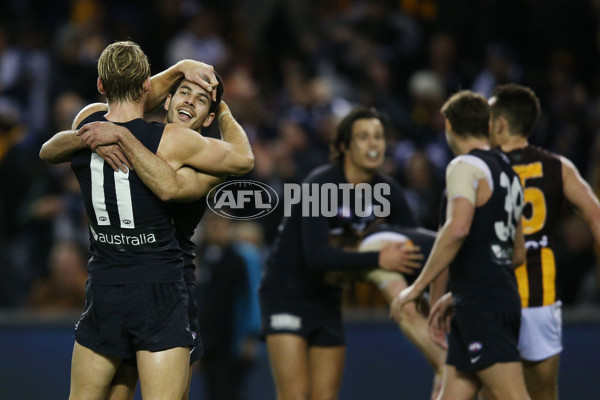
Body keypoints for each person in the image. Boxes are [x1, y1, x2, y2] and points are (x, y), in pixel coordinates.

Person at [39, 41, 253, 400]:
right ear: (158, 96)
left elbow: (48, 150)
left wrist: (106, 134)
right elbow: (241, 159)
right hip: (158, 288)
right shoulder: (174, 142)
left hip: (116, 284)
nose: (188, 101)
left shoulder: (89, 123)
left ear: (101, 86)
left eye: (200, 100)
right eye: (181, 93)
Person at [260, 107, 445, 400]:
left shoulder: (387, 190)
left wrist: (429, 294)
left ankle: (447, 369)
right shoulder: (320, 185)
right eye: (363, 137)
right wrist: (377, 259)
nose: (374, 144)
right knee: (294, 395)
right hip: (287, 293)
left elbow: (414, 246)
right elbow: (317, 256)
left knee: (325, 396)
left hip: (329, 297)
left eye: (379, 137)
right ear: (344, 146)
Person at [392, 90, 530, 400]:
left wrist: (416, 288)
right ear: (488, 127)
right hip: (491, 298)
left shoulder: (464, 166)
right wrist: (458, 293)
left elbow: (456, 229)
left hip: (483, 303)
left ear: (449, 127)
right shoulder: (509, 173)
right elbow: (518, 253)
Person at [487, 84, 600, 399]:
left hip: (492, 299)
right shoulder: (558, 167)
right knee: (544, 396)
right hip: (540, 300)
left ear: (500, 124)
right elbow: (596, 215)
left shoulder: (480, 168)